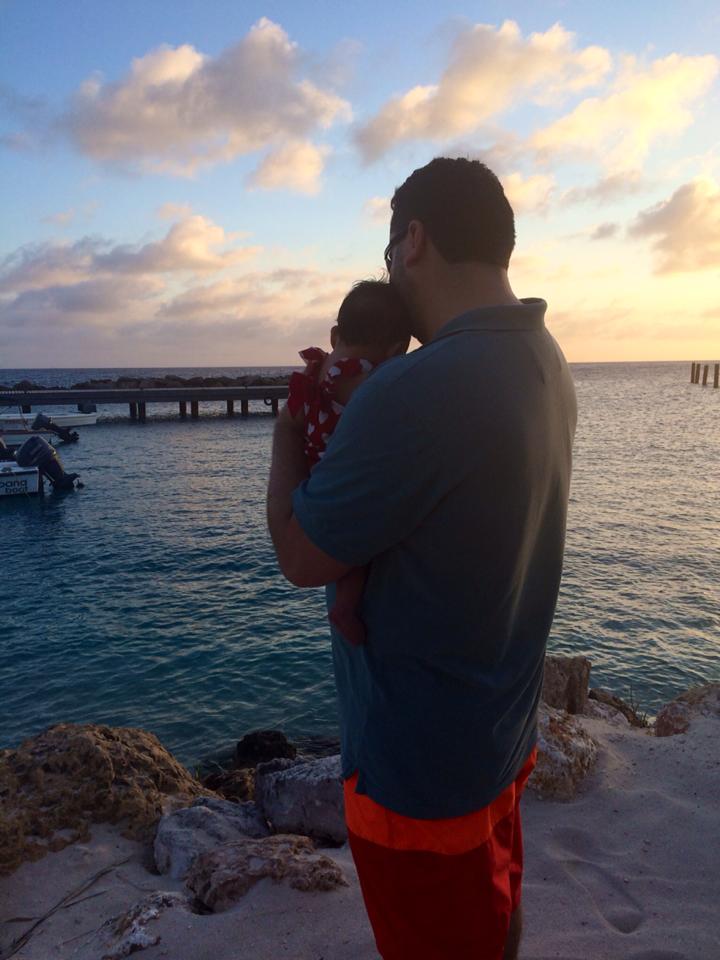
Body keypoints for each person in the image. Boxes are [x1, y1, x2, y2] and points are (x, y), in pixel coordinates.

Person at [267, 156, 577, 960]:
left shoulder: (414, 390)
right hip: (499, 735)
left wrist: (281, 441)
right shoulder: (544, 359)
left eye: (386, 251)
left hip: (419, 776)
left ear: (413, 241)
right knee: (492, 915)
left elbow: (301, 556)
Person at [286, 280, 412, 645]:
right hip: (336, 460)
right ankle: (346, 604)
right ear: (396, 349)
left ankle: (342, 600)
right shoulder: (367, 376)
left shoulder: (322, 365)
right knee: (357, 549)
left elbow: (298, 409)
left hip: (313, 454)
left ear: (335, 333)